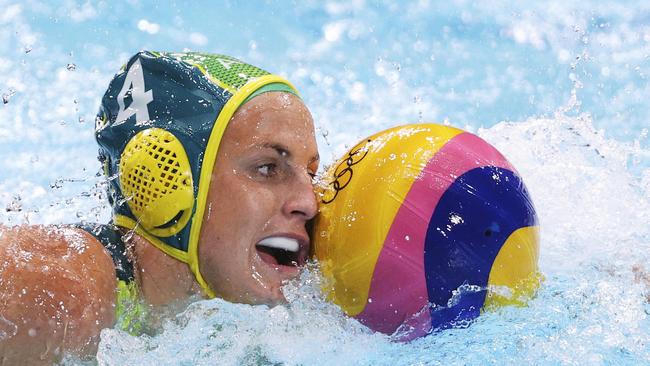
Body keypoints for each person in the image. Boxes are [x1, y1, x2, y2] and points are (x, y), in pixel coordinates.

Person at [0, 51, 319, 364]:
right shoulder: (58, 292)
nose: (309, 203)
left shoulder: (292, 317)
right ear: (164, 180)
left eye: (312, 174)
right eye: (267, 168)